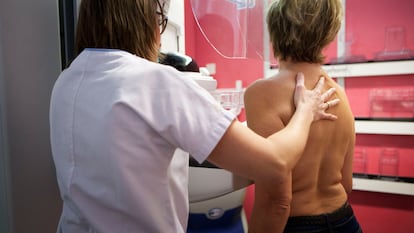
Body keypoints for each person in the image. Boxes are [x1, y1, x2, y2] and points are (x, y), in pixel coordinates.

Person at [49, 0, 339, 232]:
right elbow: (274, 163)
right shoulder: (157, 81)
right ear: (145, 20)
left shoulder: (66, 81)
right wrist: (306, 111)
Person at [244, 0, 363, 232]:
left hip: (297, 225)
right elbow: (346, 183)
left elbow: (275, 201)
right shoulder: (339, 94)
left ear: (275, 30)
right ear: (327, 32)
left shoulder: (261, 93)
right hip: (346, 221)